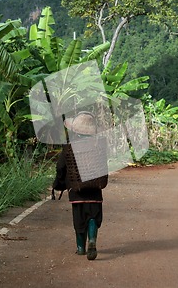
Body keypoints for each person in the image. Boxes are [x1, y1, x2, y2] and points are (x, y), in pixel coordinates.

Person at [56, 111, 105, 261]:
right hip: (95, 190)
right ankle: (92, 239)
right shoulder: (99, 146)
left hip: (76, 191)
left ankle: (80, 248)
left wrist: (59, 184)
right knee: (93, 217)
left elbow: (60, 167)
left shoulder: (68, 148)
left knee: (79, 220)